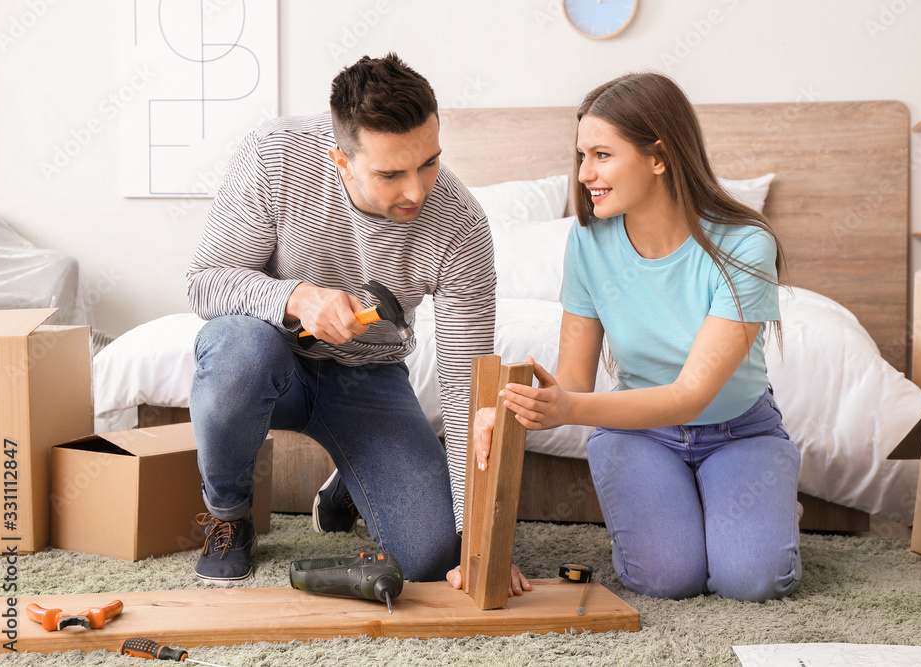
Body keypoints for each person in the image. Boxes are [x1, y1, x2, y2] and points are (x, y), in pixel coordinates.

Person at [470, 72, 802, 602]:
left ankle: (759, 503)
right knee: (667, 580)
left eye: (601, 155)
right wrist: (515, 411)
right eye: (581, 156)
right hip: (640, 436)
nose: (584, 174)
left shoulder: (744, 245)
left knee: (753, 581)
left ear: (659, 156)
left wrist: (568, 410)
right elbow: (574, 380)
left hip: (737, 431)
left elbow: (690, 395)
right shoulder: (587, 243)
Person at [186, 53, 507, 586]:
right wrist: (297, 298)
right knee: (239, 350)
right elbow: (204, 281)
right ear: (341, 160)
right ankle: (228, 517)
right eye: (390, 173)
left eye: (428, 162)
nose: (417, 192)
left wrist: (480, 548)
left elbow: (466, 392)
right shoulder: (276, 156)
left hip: (368, 378)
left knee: (431, 559)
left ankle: (351, 482)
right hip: (271, 360)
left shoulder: (461, 225)